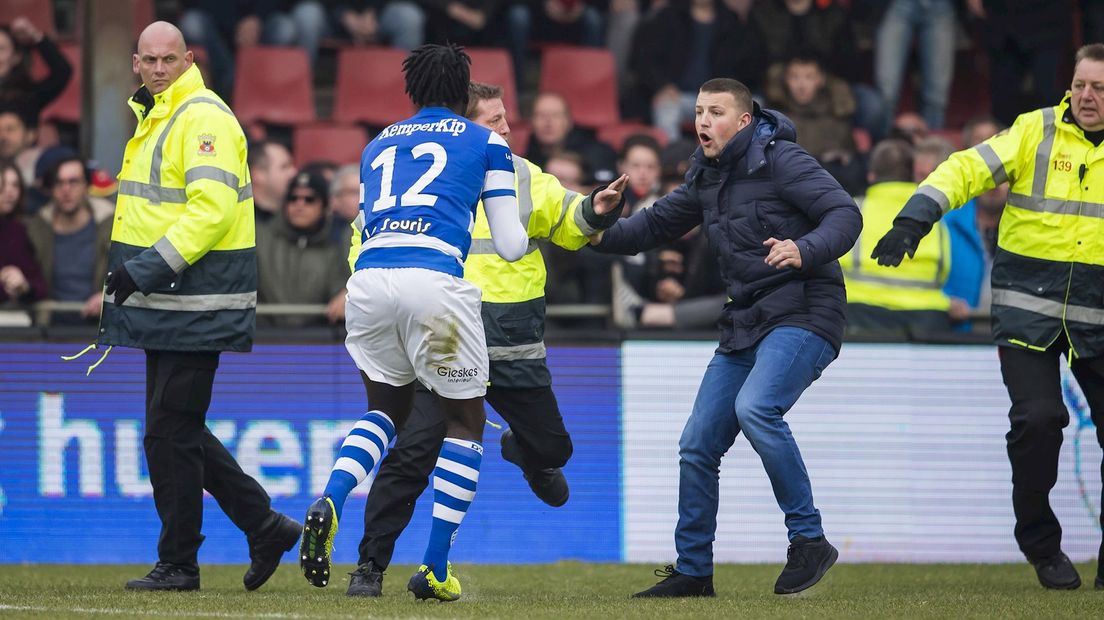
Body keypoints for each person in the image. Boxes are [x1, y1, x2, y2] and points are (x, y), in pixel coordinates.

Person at [342, 80, 626, 598]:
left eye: (505, 119)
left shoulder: (519, 173)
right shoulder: (415, 178)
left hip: (509, 342)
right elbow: (370, 245)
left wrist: (595, 209)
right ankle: (369, 569)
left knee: (553, 449)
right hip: (443, 337)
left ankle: (523, 451)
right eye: (493, 121)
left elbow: (566, 219)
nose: (505, 130)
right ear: (462, 126)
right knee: (410, 458)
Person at [591, 77, 862, 597]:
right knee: (696, 443)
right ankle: (694, 572)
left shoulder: (784, 160)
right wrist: (594, 222)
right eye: (697, 111)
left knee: (756, 408)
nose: (702, 122)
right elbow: (648, 229)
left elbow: (845, 214)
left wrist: (804, 249)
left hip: (806, 311)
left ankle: (809, 540)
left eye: (715, 112)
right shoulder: (705, 176)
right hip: (746, 321)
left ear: (743, 121)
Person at [297, 44, 529, 603]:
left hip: (370, 283)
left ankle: (330, 495)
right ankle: (434, 566)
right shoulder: (487, 142)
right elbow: (511, 245)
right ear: (463, 89)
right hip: (434, 287)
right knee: (465, 423)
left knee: (385, 411)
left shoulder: (378, 143)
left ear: (413, 90)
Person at [871, 43, 1104, 591]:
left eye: (1100, 88)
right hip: (1027, 313)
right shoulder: (1036, 129)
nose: (1087, 96)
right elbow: (964, 168)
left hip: (1099, 315)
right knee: (1039, 422)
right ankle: (1041, 545)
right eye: (1081, 85)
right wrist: (916, 216)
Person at [95, 22, 301, 592]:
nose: (159, 70)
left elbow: (209, 212)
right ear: (135, 63)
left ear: (188, 59)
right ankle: (262, 527)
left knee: (169, 430)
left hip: (196, 301)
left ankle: (183, 562)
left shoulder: (203, 116)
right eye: (150, 61)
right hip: (172, 301)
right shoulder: (160, 115)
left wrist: (146, 268)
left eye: (169, 60)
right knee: (173, 430)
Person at [838, 139, 962, 336]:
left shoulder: (851, 210)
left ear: (871, 175)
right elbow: (948, 268)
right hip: (927, 317)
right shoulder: (933, 212)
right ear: (913, 174)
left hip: (859, 315)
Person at [23, 156, 112, 325]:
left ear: (86, 185)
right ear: (51, 189)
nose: (66, 189)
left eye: (73, 182)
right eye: (59, 182)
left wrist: (108, 297)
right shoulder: (36, 229)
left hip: (97, 328)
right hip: (48, 331)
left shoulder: (110, 226)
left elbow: (127, 273)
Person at [255, 170, 349, 327]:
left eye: (309, 199)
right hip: (264, 339)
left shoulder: (338, 243)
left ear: (325, 206)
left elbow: (349, 286)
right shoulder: (260, 238)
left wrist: (349, 294)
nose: (300, 204)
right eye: (293, 198)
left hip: (318, 340)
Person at [0, 18, 73, 125]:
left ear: (16, 57)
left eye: (1, 49)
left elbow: (62, 71)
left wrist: (36, 36)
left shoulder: (26, 96)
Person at [0, 159, 46, 307]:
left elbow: (40, 288)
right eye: (2, 184)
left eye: (15, 184)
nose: (10, 191)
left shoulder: (18, 231)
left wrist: (23, 285)